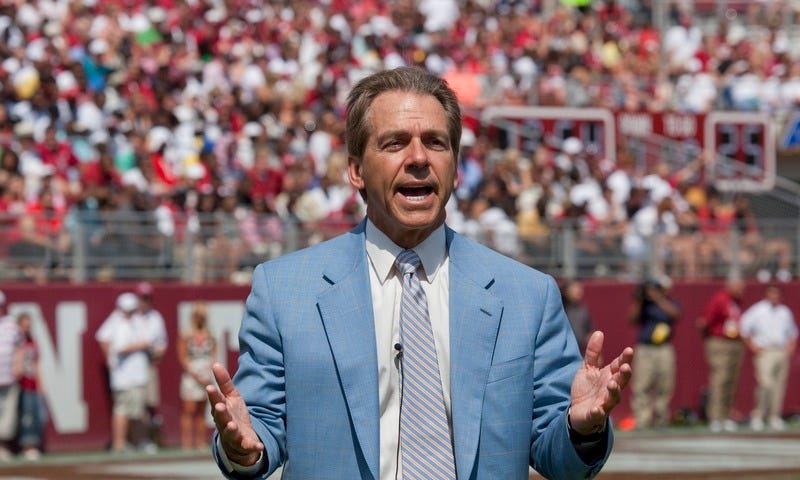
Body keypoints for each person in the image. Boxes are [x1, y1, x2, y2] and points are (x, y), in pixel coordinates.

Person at [206, 67, 634, 480]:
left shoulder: (527, 295)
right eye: (394, 143)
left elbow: (557, 455)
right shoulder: (283, 292)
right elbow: (258, 428)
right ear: (356, 170)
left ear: (455, 165)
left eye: (435, 142)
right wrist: (243, 447)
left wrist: (582, 430)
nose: (418, 158)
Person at [95, 292, 151, 453]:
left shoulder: (136, 321)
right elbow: (119, 347)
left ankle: (133, 442)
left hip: (135, 375)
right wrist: (139, 346)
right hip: (124, 377)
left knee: (136, 410)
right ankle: (119, 444)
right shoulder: (117, 322)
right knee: (123, 409)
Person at [740, 285, 798, 431]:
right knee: (765, 384)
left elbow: (793, 332)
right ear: (766, 295)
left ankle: (774, 416)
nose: (774, 297)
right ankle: (758, 415)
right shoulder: (758, 310)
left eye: (777, 294)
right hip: (765, 351)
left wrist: (790, 348)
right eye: (771, 294)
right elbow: (743, 327)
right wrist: (753, 345)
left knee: (779, 386)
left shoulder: (785, 312)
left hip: (780, 350)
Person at [627, 276, 681, 429]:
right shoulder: (644, 305)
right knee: (642, 384)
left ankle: (661, 418)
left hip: (664, 348)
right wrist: (639, 299)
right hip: (645, 348)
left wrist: (658, 298)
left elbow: (676, 314)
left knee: (665, 384)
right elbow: (631, 319)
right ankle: (641, 419)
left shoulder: (669, 301)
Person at [697, 277, 746, 432]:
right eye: (739, 287)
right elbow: (704, 322)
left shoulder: (736, 302)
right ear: (730, 285)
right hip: (720, 342)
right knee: (720, 379)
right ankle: (715, 416)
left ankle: (725, 415)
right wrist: (710, 341)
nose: (741, 290)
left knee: (731, 381)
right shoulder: (720, 299)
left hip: (735, 343)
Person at [134, 282, 168, 452]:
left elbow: (162, 343)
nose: (144, 302)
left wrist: (156, 352)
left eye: (147, 298)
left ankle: (147, 438)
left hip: (148, 365)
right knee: (135, 405)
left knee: (149, 403)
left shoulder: (155, 317)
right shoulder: (130, 317)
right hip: (131, 367)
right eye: (142, 298)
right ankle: (136, 439)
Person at [178, 301, 216, 450]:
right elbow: (182, 358)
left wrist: (207, 374)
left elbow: (213, 356)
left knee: (202, 410)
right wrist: (195, 375)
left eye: (202, 316)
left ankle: (200, 442)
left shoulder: (210, 335)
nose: (199, 319)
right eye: (197, 316)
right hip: (191, 376)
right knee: (189, 409)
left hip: (205, 375)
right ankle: (186, 443)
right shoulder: (186, 335)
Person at [13, 312, 46, 460]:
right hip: (21, 384)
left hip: (32, 383)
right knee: (25, 416)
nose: (27, 328)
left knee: (36, 414)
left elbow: (35, 364)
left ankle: (32, 445)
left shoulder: (33, 342)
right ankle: (25, 446)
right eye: (24, 325)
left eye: (29, 325)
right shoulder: (15, 342)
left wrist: (40, 384)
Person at [0, 291, 23, 461]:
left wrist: (18, 367)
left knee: (8, 415)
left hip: (8, 378)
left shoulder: (11, 325)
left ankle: (3, 448)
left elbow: (21, 347)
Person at [561, 279, 594, 354]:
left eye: (580, 288)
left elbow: (589, 331)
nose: (578, 291)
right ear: (566, 290)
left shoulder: (583, 310)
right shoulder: (560, 309)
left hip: (579, 351)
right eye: (575, 288)